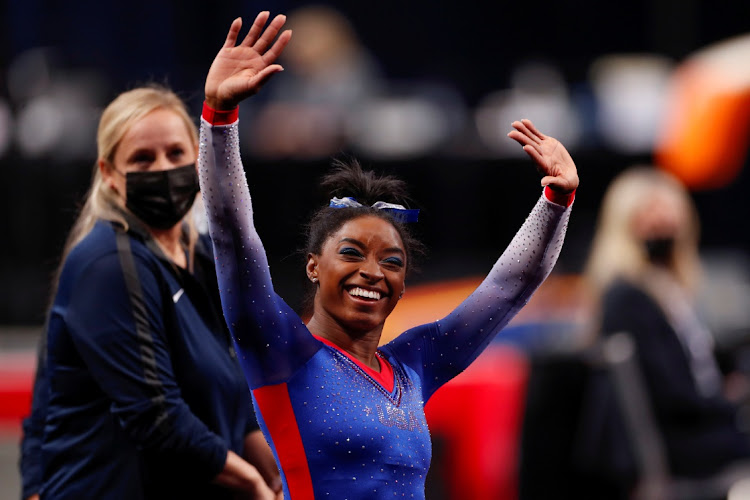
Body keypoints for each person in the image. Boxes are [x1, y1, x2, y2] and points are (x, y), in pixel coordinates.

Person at [198, 11, 578, 499]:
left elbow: (507, 288)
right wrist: (219, 119)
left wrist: (556, 202)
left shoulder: (414, 364)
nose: (372, 272)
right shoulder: (283, 351)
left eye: (392, 261)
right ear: (313, 265)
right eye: (352, 253)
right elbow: (232, 234)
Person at [18, 85, 281, 499]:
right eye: (142, 158)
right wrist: (249, 481)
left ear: (196, 157)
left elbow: (227, 378)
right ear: (108, 174)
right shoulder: (107, 264)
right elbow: (157, 416)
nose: (162, 169)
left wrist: (263, 454)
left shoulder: (203, 256)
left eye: (175, 153)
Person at [583, 166, 750, 497]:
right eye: (649, 215)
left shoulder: (671, 288)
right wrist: (728, 401)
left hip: (698, 430)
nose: (663, 225)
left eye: (670, 214)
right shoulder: (626, 296)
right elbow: (670, 393)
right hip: (680, 445)